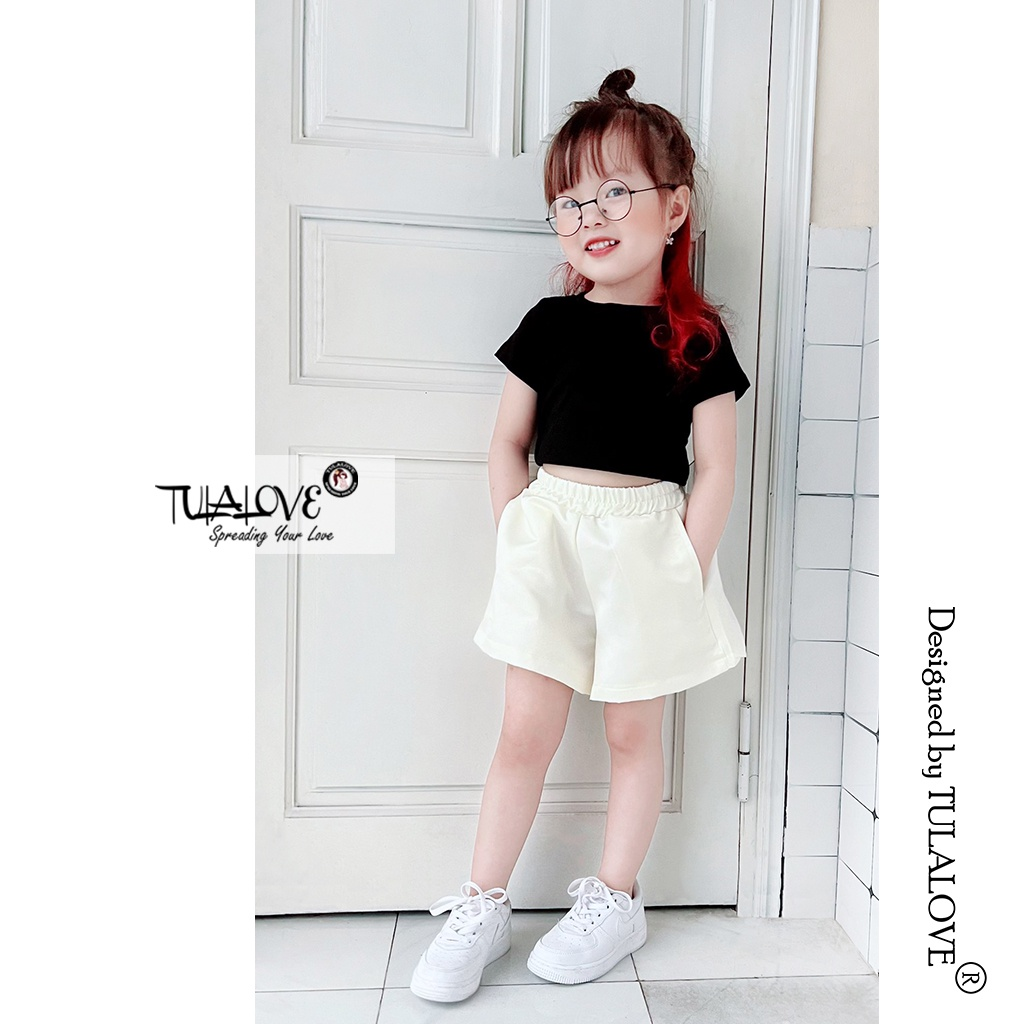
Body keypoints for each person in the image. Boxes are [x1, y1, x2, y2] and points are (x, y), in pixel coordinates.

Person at [410, 67, 751, 1003]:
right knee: (525, 730)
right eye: (568, 201)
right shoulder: (551, 324)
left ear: (674, 208)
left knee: (635, 732)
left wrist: (686, 563)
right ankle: (482, 903)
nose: (589, 215)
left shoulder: (697, 339)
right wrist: (518, 530)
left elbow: (718, 467)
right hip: (551, 537)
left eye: (614, 192)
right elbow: (507, 443)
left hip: (649, 546)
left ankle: (617, 897)